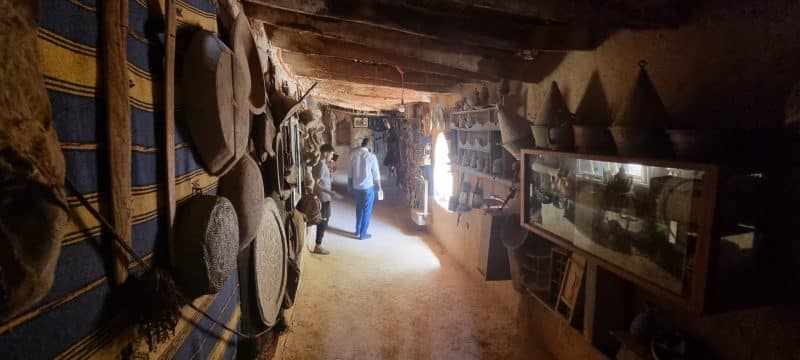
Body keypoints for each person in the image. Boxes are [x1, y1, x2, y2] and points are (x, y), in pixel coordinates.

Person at [311, 144, 342, 254]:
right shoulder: (320, 165)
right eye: (331, 153)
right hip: (323, 198)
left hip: (325, 198)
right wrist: (331, 192)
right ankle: (318, 246)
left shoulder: (323, 165)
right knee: (323, 222)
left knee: (325, 219)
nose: (332, 156)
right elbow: (316, 184)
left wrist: (331, 173)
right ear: (325, 153)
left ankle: (319, 244)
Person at [348, 138, 382, 240]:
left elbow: (350, 173)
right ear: (369, 146)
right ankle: (363, 234)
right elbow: (376, 174)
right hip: (367, 188)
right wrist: (379, 187)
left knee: (359, 209)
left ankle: (357, 230)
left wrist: (349, 185)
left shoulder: (352, 155)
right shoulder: (371, 156)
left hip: (356, 187)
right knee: (367, 211)